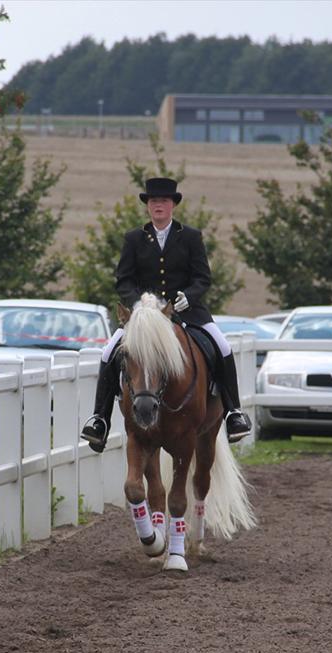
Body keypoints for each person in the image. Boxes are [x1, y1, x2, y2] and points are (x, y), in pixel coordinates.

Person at [81, 177, 252, 452]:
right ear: (148, 206)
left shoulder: (191, 237)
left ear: (172, 205)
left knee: (222, 346)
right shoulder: (134, 238)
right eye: (153, 201)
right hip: (144, 317)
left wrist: (189, 296)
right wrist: (138, 305)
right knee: (109, 351)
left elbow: (202, 278)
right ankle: (99, 419)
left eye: (163, 201)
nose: (158, 205)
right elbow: (123, 280)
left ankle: (233, 413)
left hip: (187, 311)